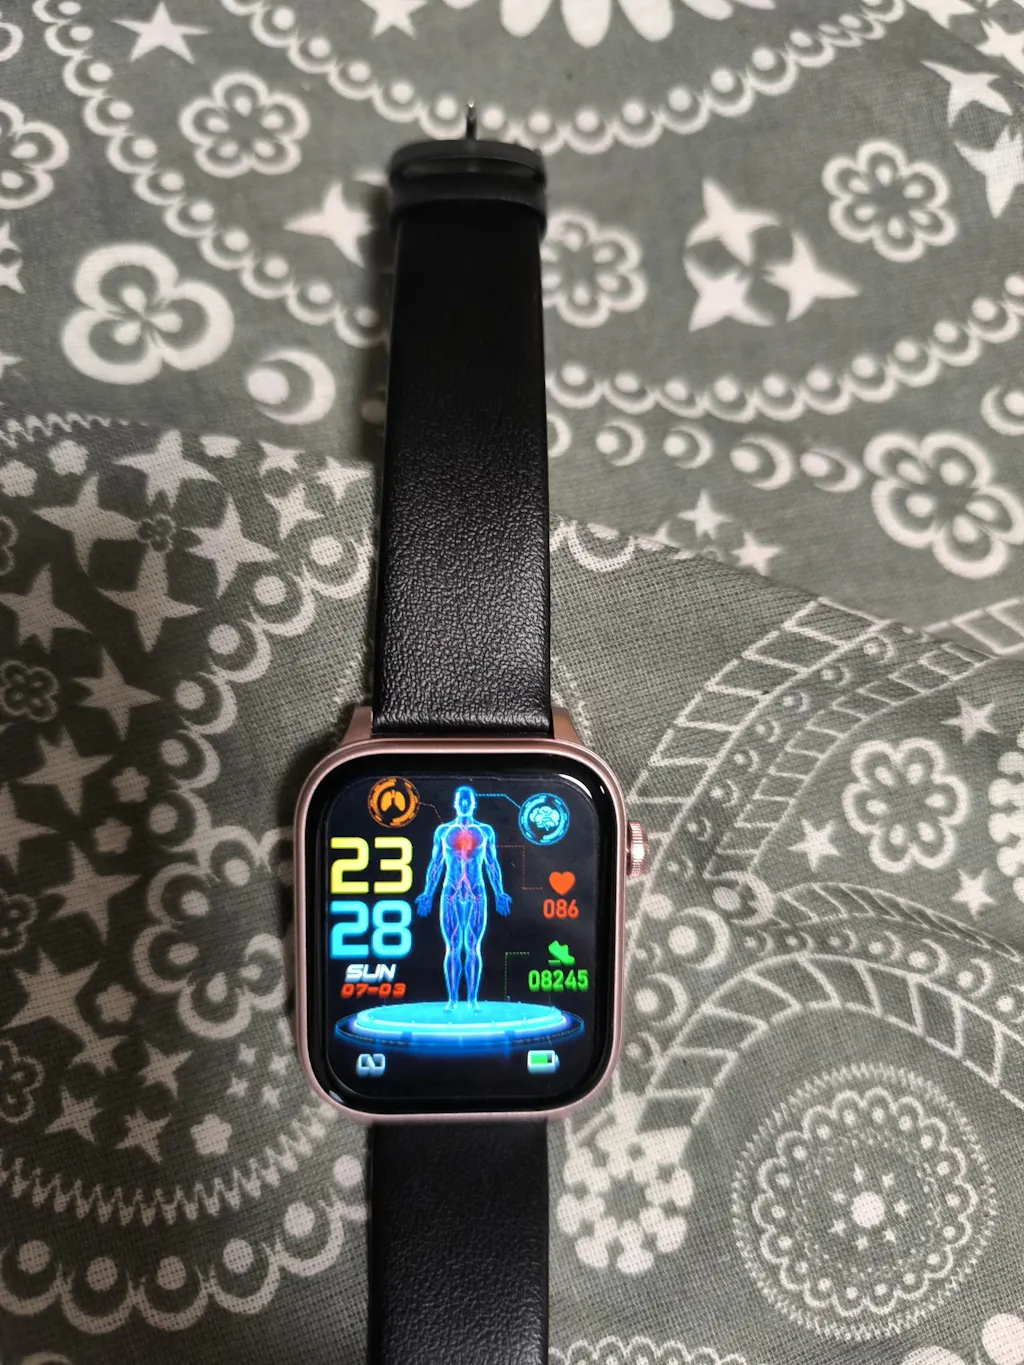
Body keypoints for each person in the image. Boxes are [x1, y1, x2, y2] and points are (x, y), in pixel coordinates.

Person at [414, 785, 512, 1009]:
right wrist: (428, 893)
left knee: (473, 947)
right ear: (455, 803)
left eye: (468, 800)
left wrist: (499, 893)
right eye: (461, 800)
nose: (465, 804)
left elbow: (492, 864)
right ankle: (452, 1000)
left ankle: (472, 1000)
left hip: (477, 892)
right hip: (451, 892)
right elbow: (435, 865)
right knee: (452, 947)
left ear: (474, 803)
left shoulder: (485, 831)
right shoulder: (443, 831)